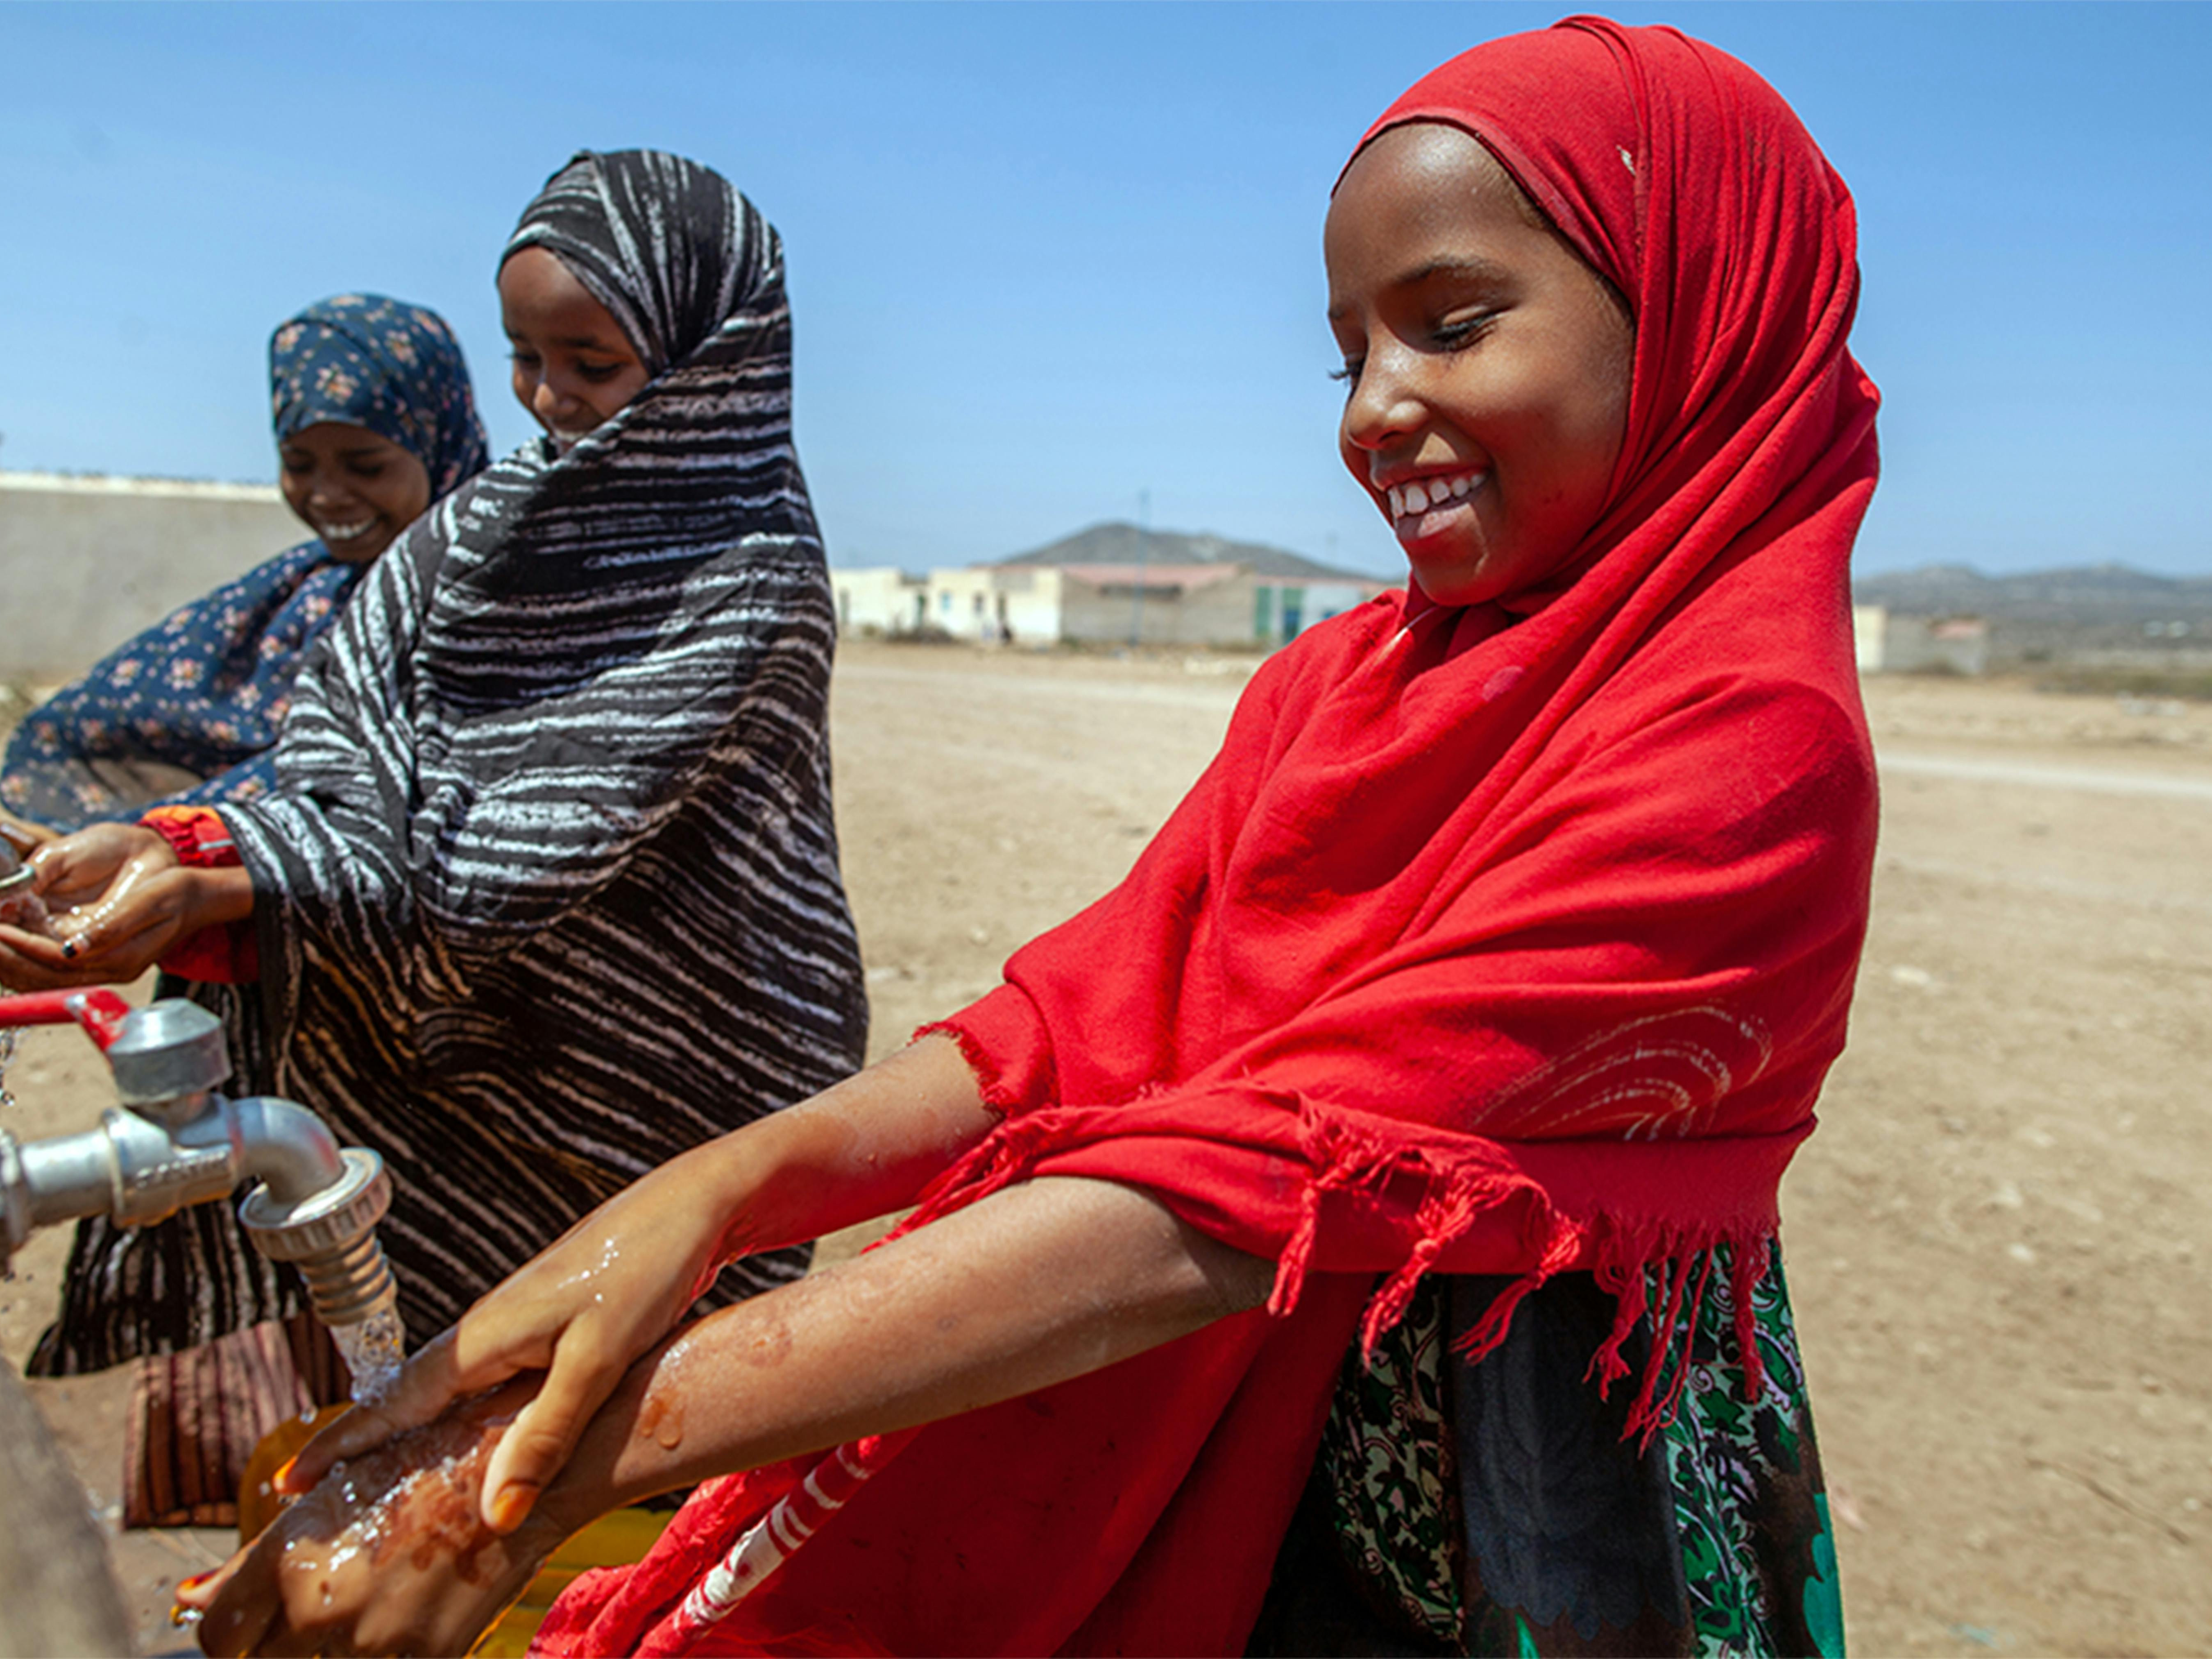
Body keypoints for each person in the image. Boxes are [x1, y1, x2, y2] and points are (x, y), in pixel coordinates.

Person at [197, 19, 1878, 1654]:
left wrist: (557, 1462)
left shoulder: (1747, 752)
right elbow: (1074, 1022)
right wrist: (714, 1191)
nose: (1376, 408)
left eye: (1451, 324)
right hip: (1215, 1437)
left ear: (1694, 313)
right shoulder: (1345, 686)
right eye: (1349, 351)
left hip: (1530, 1507)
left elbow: (1253, 1185)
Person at [0, 151, 870, 1531]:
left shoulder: (748, 576)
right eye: (525, 360)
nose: (551, 401)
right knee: (387, 1441)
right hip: (450, 1054)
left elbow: (525, 856)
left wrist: (241, 876)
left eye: (591, 361)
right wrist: (191, 841)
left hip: (649, 1079)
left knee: (576, 1461)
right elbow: (343, 738)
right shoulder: (486, 527)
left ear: (712, 358)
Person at [0, 294, 490, 833]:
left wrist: (162, 842)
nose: (327, 495)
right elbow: (106, 718)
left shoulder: (491, 602)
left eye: (365, 466)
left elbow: (346, 773)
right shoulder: (304, 593)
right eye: (299, 464)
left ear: (443, 444)